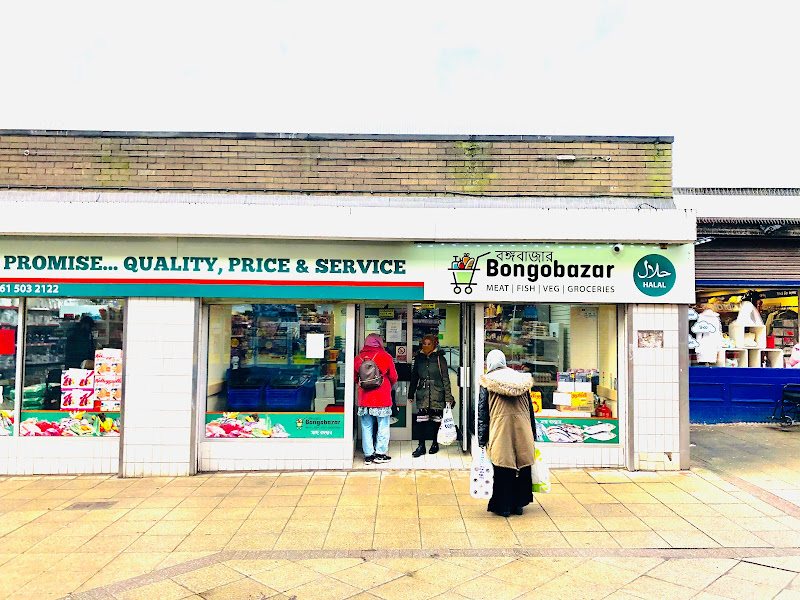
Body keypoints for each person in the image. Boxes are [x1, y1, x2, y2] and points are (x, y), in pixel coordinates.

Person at [477, 349, 536, 517]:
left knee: (503, 465)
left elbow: (483, 413)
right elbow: (530, 410)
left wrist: (482, 439)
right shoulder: (521, 379)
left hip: (500, 428)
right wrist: (533, 433)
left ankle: (503, 506)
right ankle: (519, 504)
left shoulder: (487, 381)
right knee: (521, 464)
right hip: (523, 428)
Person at [354, 333, 398, 465]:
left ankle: (368, 455)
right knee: (383, 425)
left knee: (366, 426)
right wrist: (386, 384)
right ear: (379, 342)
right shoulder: (385, 356)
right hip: (382, 397)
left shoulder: (358, 358)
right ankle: (380, 454)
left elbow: (355, 378)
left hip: (365, 397)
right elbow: (394, 376)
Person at [409, 334, 454, 457]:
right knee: (421, 421)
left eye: (429, 344)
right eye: (424, 343)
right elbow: (414, 377)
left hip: (437, 393)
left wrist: (448, 397)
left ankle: (435, 443)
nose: (426, 346)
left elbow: (445, 378)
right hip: (423, 393)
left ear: (434, 344)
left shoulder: (440, 359)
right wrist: (410, 393)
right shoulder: (419, 358)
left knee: (436, 421)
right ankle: (421, 446)